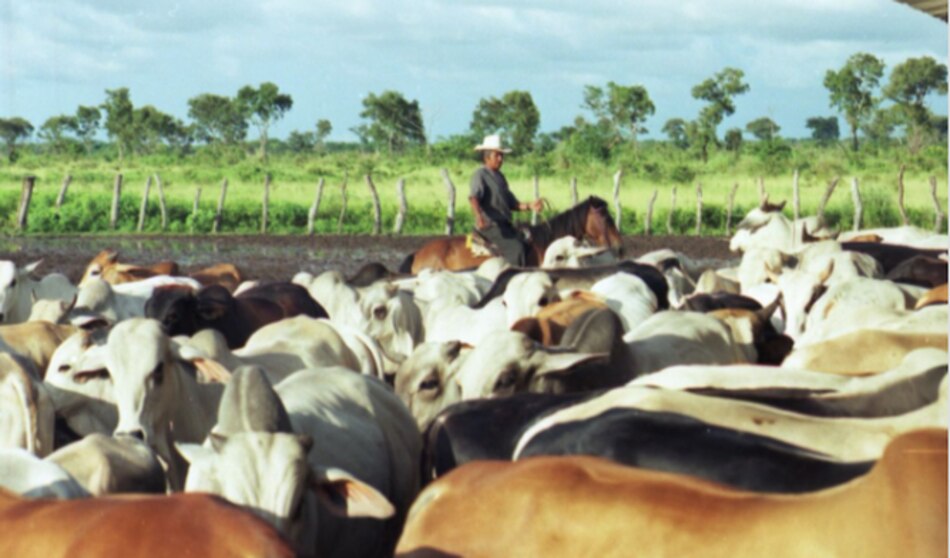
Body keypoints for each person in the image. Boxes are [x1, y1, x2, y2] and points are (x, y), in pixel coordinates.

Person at [468, 134, 543, 266]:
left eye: (501, 156)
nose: (501, 159)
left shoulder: (500, 177)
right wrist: (479, 216)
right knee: (516, 249)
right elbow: (473, 197)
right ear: (487, 157)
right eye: (497, 155)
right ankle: (512, 280)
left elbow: (513, 204)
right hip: (491, 226)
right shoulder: (480, 175)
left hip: (505, 225)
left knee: (529, 242)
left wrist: (530, 206)